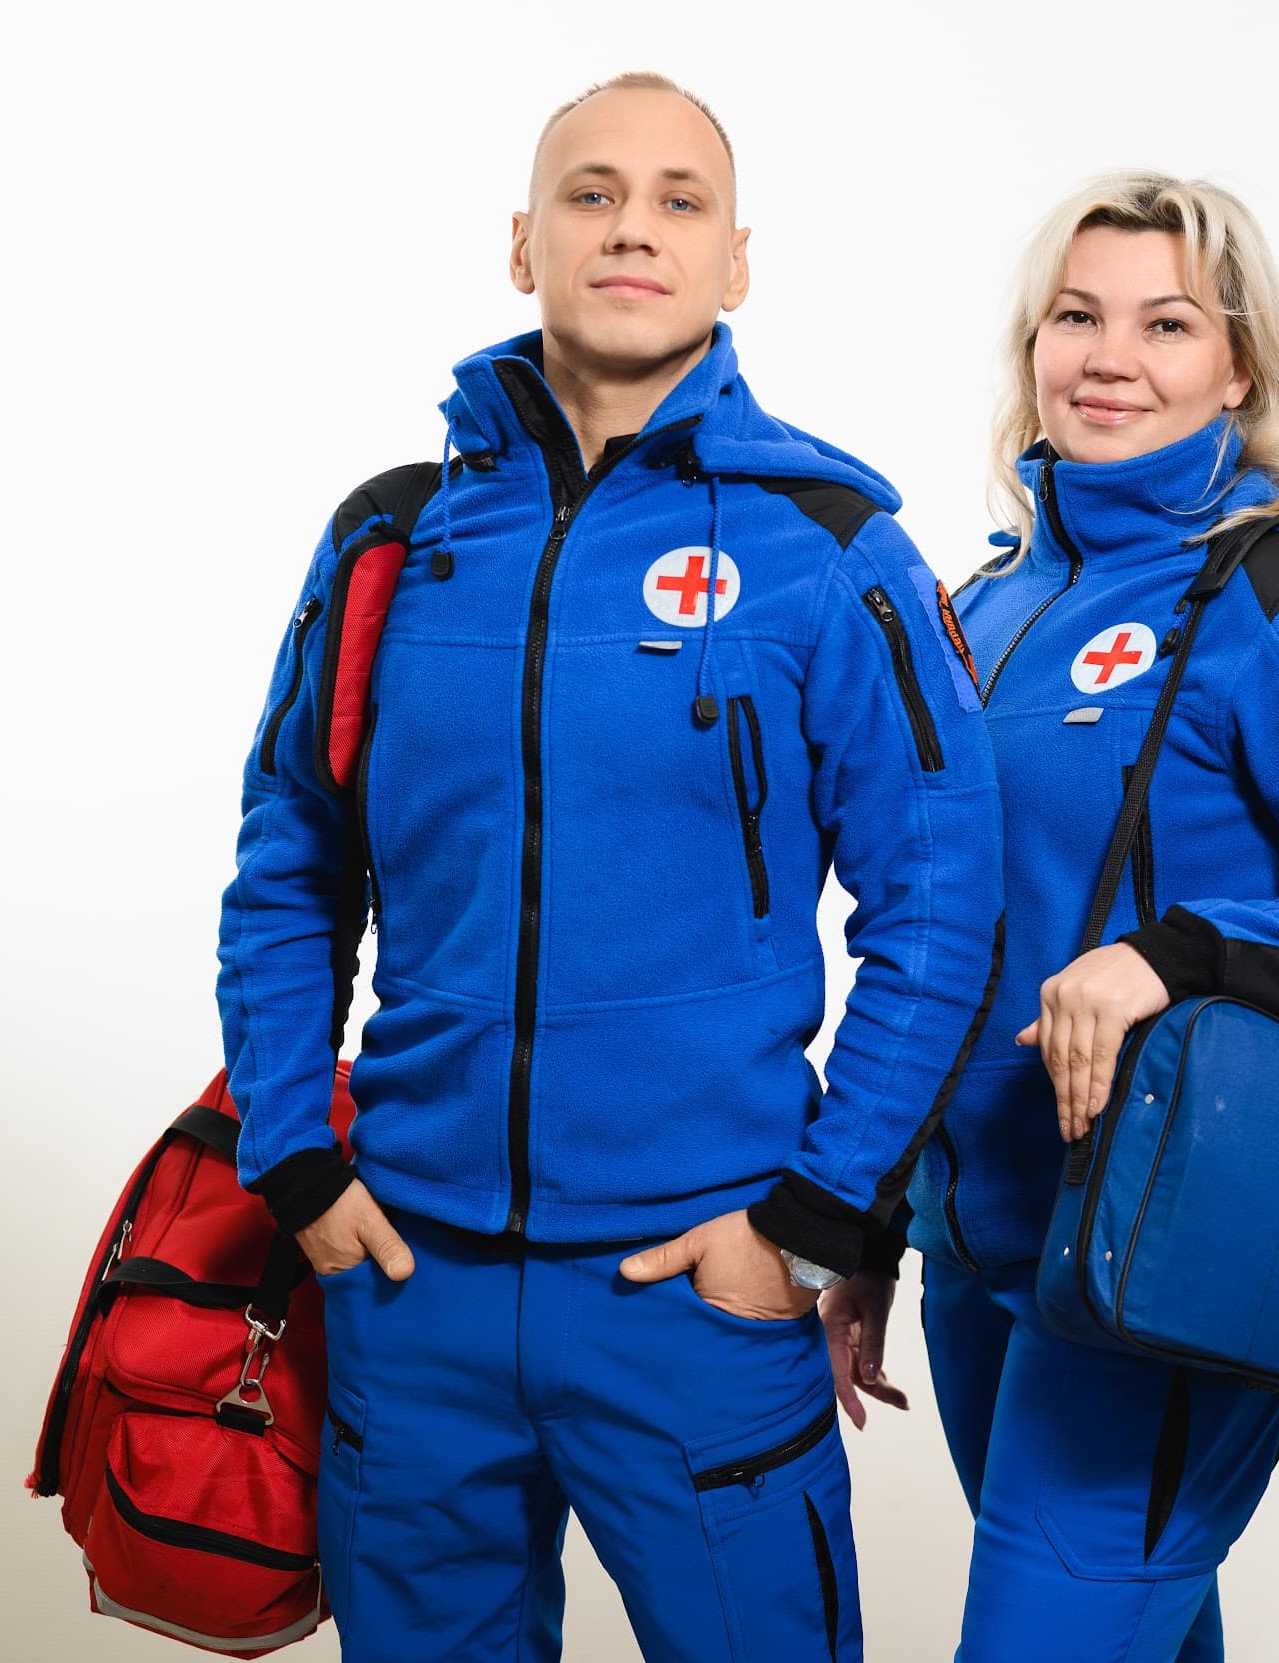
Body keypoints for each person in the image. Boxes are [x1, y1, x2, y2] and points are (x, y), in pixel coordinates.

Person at [215, 73, 1003, 1662]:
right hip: (412, 1286)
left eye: (678, 199)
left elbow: (941, 905)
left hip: (699, 1295)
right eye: (591, 193)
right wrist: (295, 1156)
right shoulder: (392, 541)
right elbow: (293, 859)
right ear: (523, 244)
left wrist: (810, 1225)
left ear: (735, 263)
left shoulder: (826, 545)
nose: (633, 227)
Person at [818, 174, 1279, 1660]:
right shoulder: (977, 611)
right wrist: (871, 1224)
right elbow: (939, 941)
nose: (1110, 358)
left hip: (1169, 1252)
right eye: (1077, 316)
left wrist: (1165, 959)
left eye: (1168, 324)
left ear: (1239, 368)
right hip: (978, 1253)